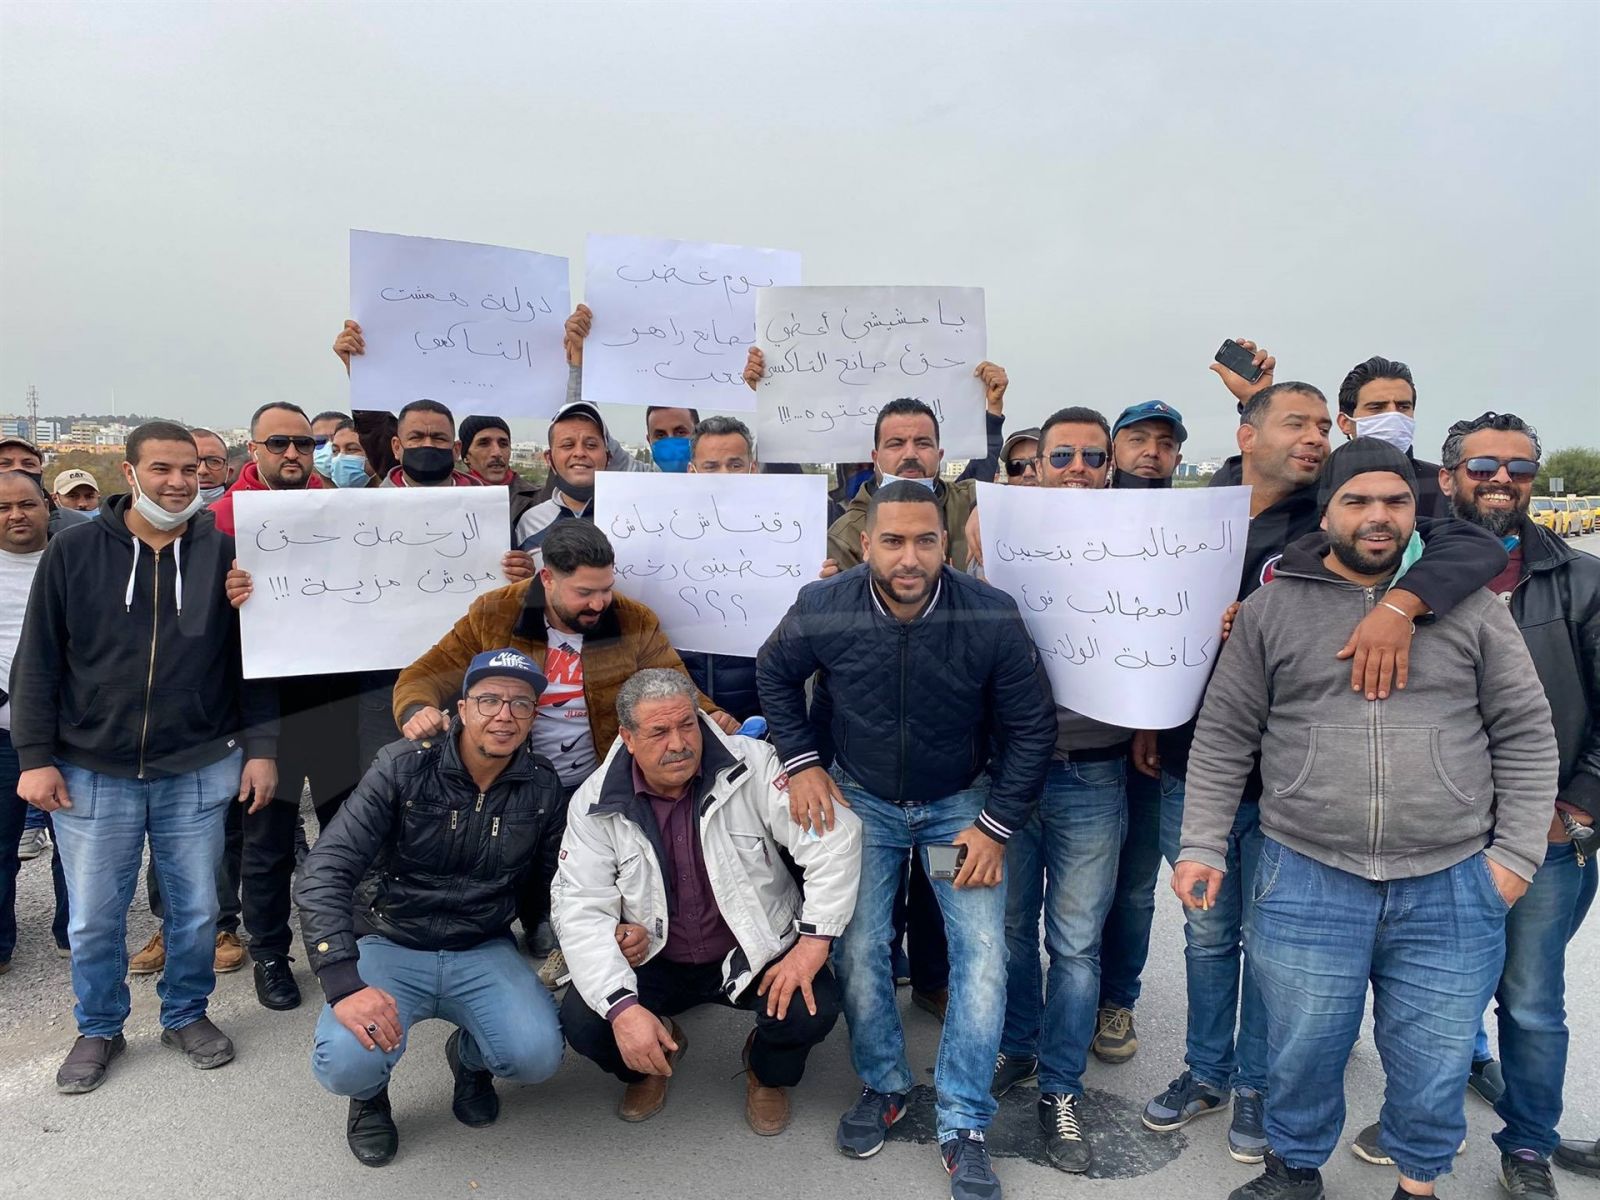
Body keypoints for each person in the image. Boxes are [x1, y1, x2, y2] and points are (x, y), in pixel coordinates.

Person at [1141, 369, 1508, 1167]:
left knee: (1279, 950)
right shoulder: (1193, 510)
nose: (1315, 438)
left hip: (1294, 791)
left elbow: (1474, 544)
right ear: (1245, 435)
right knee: (1208, 938)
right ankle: (1207, 1070)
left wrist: (1398, 604)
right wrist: (1152, 712)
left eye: (1322, 426)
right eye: (1295, 423)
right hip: (1194, 761)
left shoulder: (1338, 516)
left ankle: (1261, 1089)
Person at [757, 481, 1057, 1200]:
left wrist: (994, 825)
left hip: (960, 809)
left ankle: (963, 1121)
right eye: (892, 541)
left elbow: (1031, 728)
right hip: (862, 803)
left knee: (981, 959)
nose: (909, 556)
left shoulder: (988, 613)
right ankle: (883, 1083)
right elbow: (772, 672)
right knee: (858, 950)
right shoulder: (823, 607)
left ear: (945, 544)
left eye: (925, 540)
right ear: (865, 545)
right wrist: (800, 764)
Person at [1347, 412, 1599, 1197]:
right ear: (1447, 477)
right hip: (1435, 830)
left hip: (1546, 832)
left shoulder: (1581, 580)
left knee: (1528, 1000)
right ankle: (1419, 1126)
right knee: (1426, 997)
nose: (1502, 480)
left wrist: (1580, 807)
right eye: (1484, 465)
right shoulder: (1393, 570)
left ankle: (1527, 1147)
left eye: (1519, 468)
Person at [10, 421, 277, 1094]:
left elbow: (254, 664)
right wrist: (35, 757)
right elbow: (37, 661)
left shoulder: (226, 557)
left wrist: (261, 750)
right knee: (96, 915)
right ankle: (99, 1026)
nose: (178, 482)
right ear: (128, 474)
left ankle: (185, 1012)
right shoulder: (72, 553)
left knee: (192, 910)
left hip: (198, 764)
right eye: (162, 469)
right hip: (89, 769)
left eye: (189, 469)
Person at [556, 669, 860, 1133]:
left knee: (808, 1008)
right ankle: (647, 1060)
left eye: (687, 725)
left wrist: (813, 944)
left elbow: (834, 840)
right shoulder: (593, 801)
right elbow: (579, 904)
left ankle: (764, 1070)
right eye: (658, 732)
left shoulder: (753, 765)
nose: (678, 743)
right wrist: (623, 1007)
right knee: (587, 1020)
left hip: (750, 944)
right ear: (628, 738)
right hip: (655, 954)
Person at [296, 647, 564, 1165]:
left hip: (480, 943)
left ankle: (469, 1058)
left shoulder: (543, 786)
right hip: (389, 935)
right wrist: (342, 982)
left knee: (535, 1056)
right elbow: (323, 870)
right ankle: (369, 1098)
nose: (504, 716)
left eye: (521, 704)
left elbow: (555, 881)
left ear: (534, 716)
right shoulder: (402, 766)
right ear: (461, 708)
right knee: (345, 1062)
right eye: (488, 700)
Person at [981, 407, 1137, 1174]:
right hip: (1008, 773)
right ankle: (1017, 1045)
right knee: (1008, 928)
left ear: (1110, 467)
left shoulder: (1145, 547)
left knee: (1074, 943)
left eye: (1093, 456)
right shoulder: (995, 544)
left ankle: (1062, 1086)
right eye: (1063, 455)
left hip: (1092, 771)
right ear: (1034, 464)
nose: (1078, 467)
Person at [206, 402, 366, 1011]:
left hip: (339, 702)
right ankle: (271, 953)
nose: (293, 453)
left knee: (347, 831)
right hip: (264, 710)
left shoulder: (343, 509)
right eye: (279, 443)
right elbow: (196, 622)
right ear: (254, 448)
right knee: (267, 838)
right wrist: (224, 597)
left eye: (304, 443)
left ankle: (346, 942)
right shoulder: (221, 521)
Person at [1092, 401, 1189, 1065]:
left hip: (1158, 742)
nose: (1151, 451)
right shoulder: (1070, 520)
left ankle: (1115, 1000)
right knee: (1067, 882)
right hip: (1077, 738)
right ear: (1114, 449)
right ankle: (1059, 994)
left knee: (1132, 883)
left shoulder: (1200, 526)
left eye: (1165, 442)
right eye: (1137, 439)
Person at [1209, 342, 1447, 517]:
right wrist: (1257, 401)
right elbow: (1250, 487)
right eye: (1377, 408)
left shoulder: (1443, 485)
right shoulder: (1315, 481)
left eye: (1403, 407)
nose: (1393, 415)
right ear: (1345, 422)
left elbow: (1466, 541)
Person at [0, 471, 70, 972]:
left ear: (47, 505)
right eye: (3, 508)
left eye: (26, 504)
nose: (16, 515)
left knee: (75, 846)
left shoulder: (73, 558)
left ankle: (74, 934)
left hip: (70, 730)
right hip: (2, 731)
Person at [513, 401, 611, 565]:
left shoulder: (629, 519)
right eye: (567, 445)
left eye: (591, 445)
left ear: (608, 457)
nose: (579, 453)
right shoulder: (529, 522)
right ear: (549, 458)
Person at [0, 435, 89, 538]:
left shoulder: (77, 526)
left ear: (41, 473)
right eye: (5, 464)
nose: (18, 468)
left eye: (28, 464)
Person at [459, 414, 541, 526]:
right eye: (484, 443)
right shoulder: (451, 499)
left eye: (503, 444)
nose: (497, 453)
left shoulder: (539, 500)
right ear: (466, 456)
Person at [190, 427, 232, 506]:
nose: (202, 471)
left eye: (214, 461)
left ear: (228, 472)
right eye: (193, 462)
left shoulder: (243, 512)